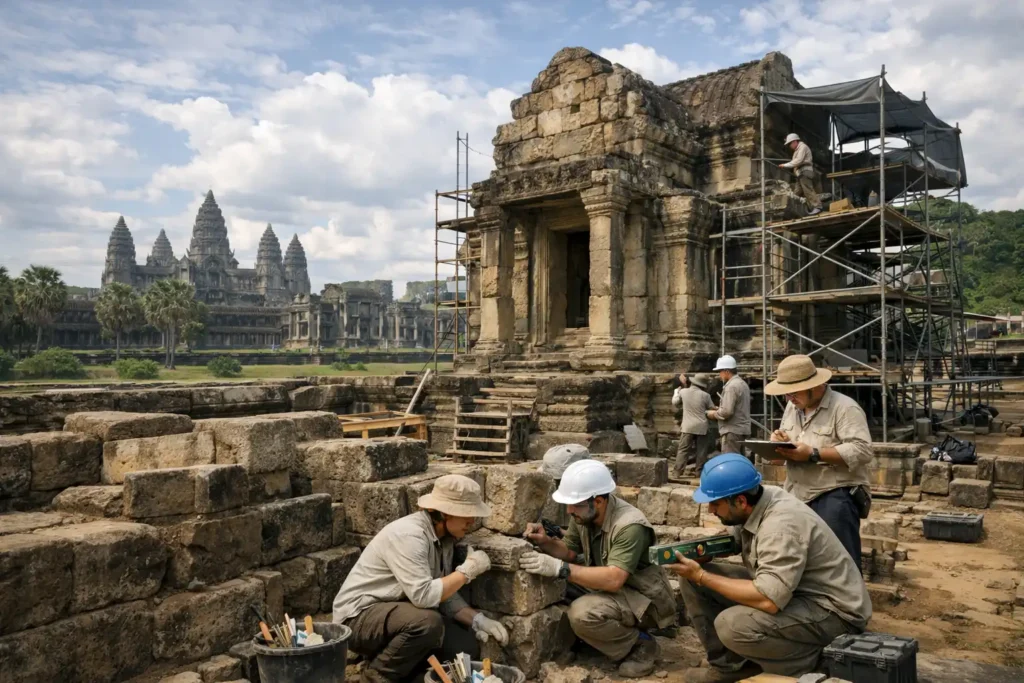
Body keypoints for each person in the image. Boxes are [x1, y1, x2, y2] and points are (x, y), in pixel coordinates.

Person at [668, 454, 872, 682]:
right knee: (692, 581)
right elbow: (736, 539)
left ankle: (816, 663)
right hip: (796, 591)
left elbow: (769, 600)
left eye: (715, 503)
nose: (710, 510)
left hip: (834, 613)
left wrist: (702, 575)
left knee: (732, 625)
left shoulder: (780, 527)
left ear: (740, 501)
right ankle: (730, 666)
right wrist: (703, 552)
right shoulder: (760, 498)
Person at [332, 475, 509, 683]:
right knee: (428, 623)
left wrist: (477, 620)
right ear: (445, 513)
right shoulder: (410, 535)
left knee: (464, 648)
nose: (472, 522)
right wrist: (467, 571)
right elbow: (424, 596)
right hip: (358, 619)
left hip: (401, 615)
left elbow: (442, 592)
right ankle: (374, 677)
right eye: (467, 514)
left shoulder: (445, 539)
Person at [520, 460, 676, 678]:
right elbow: (570, 551)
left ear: (599, 501)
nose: (569, 510)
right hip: (612, 589)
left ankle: (640, 644)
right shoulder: (584, 515)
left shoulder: (630, 526)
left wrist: (559, 568)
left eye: (575, 505)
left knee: (581, 614)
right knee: (557, 585)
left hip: (642, 600)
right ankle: (599, 637)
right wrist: (545, 542)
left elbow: (613, 579)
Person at [764, 354, 873, 567]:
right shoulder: (793, 407)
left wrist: (814, 453)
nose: (789, 398)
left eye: (794, 392)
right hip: (797, 493)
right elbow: (787, 449)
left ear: (815, 386)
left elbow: (862, 450)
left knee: (841, 562)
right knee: (800, 559)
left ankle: (849, 589)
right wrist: (779, 445)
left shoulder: (844, 408)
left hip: (834, 493)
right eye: (786, 393)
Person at [706, 356, 750, 457]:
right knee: (739, 461)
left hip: (732, 431)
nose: (719, 374)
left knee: (730, 461)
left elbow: (726, 412)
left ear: (726, 371)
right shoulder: (742, 384)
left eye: (720, 371)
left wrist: (713, 414)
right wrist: (720, 409)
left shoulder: (731, 386)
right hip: (742, 430)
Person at [672, 373, 714, 477]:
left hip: (687, 426)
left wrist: (676, 392)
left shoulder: (683, 392)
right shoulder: (706, 395)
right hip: (702, 427)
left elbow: (675, 402)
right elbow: (712, 408)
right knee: (701, 451)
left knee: (683, 450)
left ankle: (677, 472)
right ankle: (699, 472)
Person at [779, 133, 822, 215]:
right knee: (796, 193)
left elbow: (798, 161)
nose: (790, 146)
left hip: (805, 172)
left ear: (795, 141)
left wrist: (785, 165)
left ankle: (817, 206)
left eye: (790, 144)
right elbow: (796, 162)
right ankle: (794, 209)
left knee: (807, 189)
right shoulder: (797, 150)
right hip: (800, 173)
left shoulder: (802, 147)